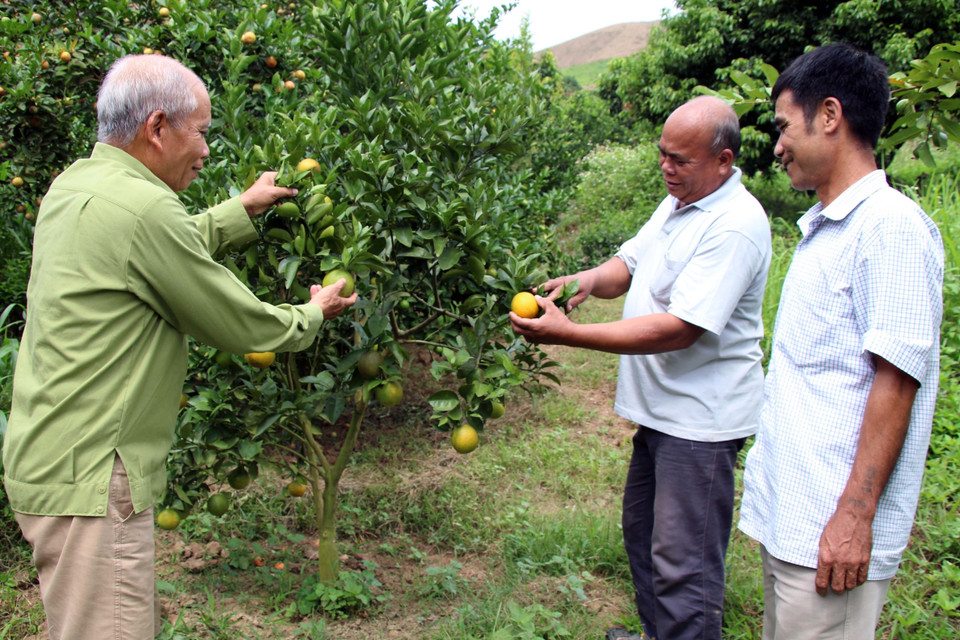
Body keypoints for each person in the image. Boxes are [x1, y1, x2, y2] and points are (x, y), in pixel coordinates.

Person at [2, 54, 357, 640]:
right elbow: (236, 321)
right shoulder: (144, 210)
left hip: (50, 457)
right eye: (201, 132)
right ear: (157, 127)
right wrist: (310, 315)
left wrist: (238, 211)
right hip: (94, 477)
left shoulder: (77, 184)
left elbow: (153, 251)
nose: (207, 150)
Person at [511, 95, 772, 640]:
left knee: (684, 563)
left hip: (698, 423)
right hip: (662, 414)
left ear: (723, 160)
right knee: (644, 534)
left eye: (680, 159)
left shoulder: (734, 224)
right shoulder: (681, 201)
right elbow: (628, 265)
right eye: (662, 154)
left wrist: (569, 334)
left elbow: (681, 328)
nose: (666, 167)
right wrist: (583, 281)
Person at [738, 43, 944, 639]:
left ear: (829, 115)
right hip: (797, 522)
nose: (777, 146)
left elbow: (896, 382)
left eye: (784, 127)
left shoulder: (890, 229)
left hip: (832, 536)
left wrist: (854, 517)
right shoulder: (829, 229)